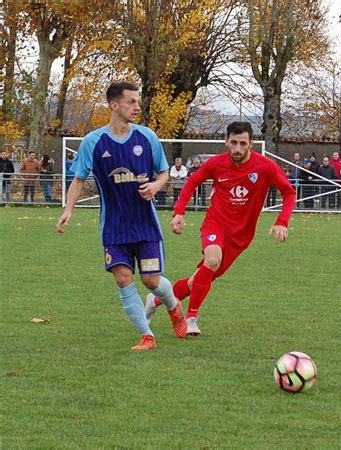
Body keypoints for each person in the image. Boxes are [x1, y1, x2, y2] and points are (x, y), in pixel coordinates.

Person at [55, 81, 186, 351]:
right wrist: (68, 210)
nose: (137, 107)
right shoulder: (94, 142)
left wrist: (156, 186)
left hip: (145, 225)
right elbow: (79, 179)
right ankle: (147, 336)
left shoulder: (147, 137)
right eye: (131, 102)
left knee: (150, 281)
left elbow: (163, 173)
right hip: (114, 227)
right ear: (114, 105)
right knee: (123, 278)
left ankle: (174, 307)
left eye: (138, 101)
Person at [145, 121, 296, 336]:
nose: (237, 148)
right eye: (233, 142)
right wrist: (179, 212)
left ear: (251, 143)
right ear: (226, 141)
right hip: (216, 223)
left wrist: (282, 221)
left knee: (199, 279)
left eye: (243, 143)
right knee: (212, 260)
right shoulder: (216, 164)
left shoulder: (265, 167)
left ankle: (156, 299)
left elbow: (289, 193)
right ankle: (191, 318)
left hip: (242, 235)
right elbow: (191, 183)